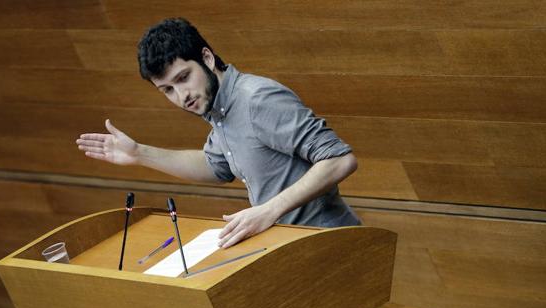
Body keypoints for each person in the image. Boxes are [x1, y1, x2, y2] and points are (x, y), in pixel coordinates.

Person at [76, 18, 360, 248]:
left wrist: (269, 211)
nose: (181, 96)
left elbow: (339, 160)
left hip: (332, 244)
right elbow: (216, 167)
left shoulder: (256, 99)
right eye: (168, 90)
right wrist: (139, 153)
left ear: (207, 58)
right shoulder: (218, 110)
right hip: (293, 246)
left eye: (184, 78)